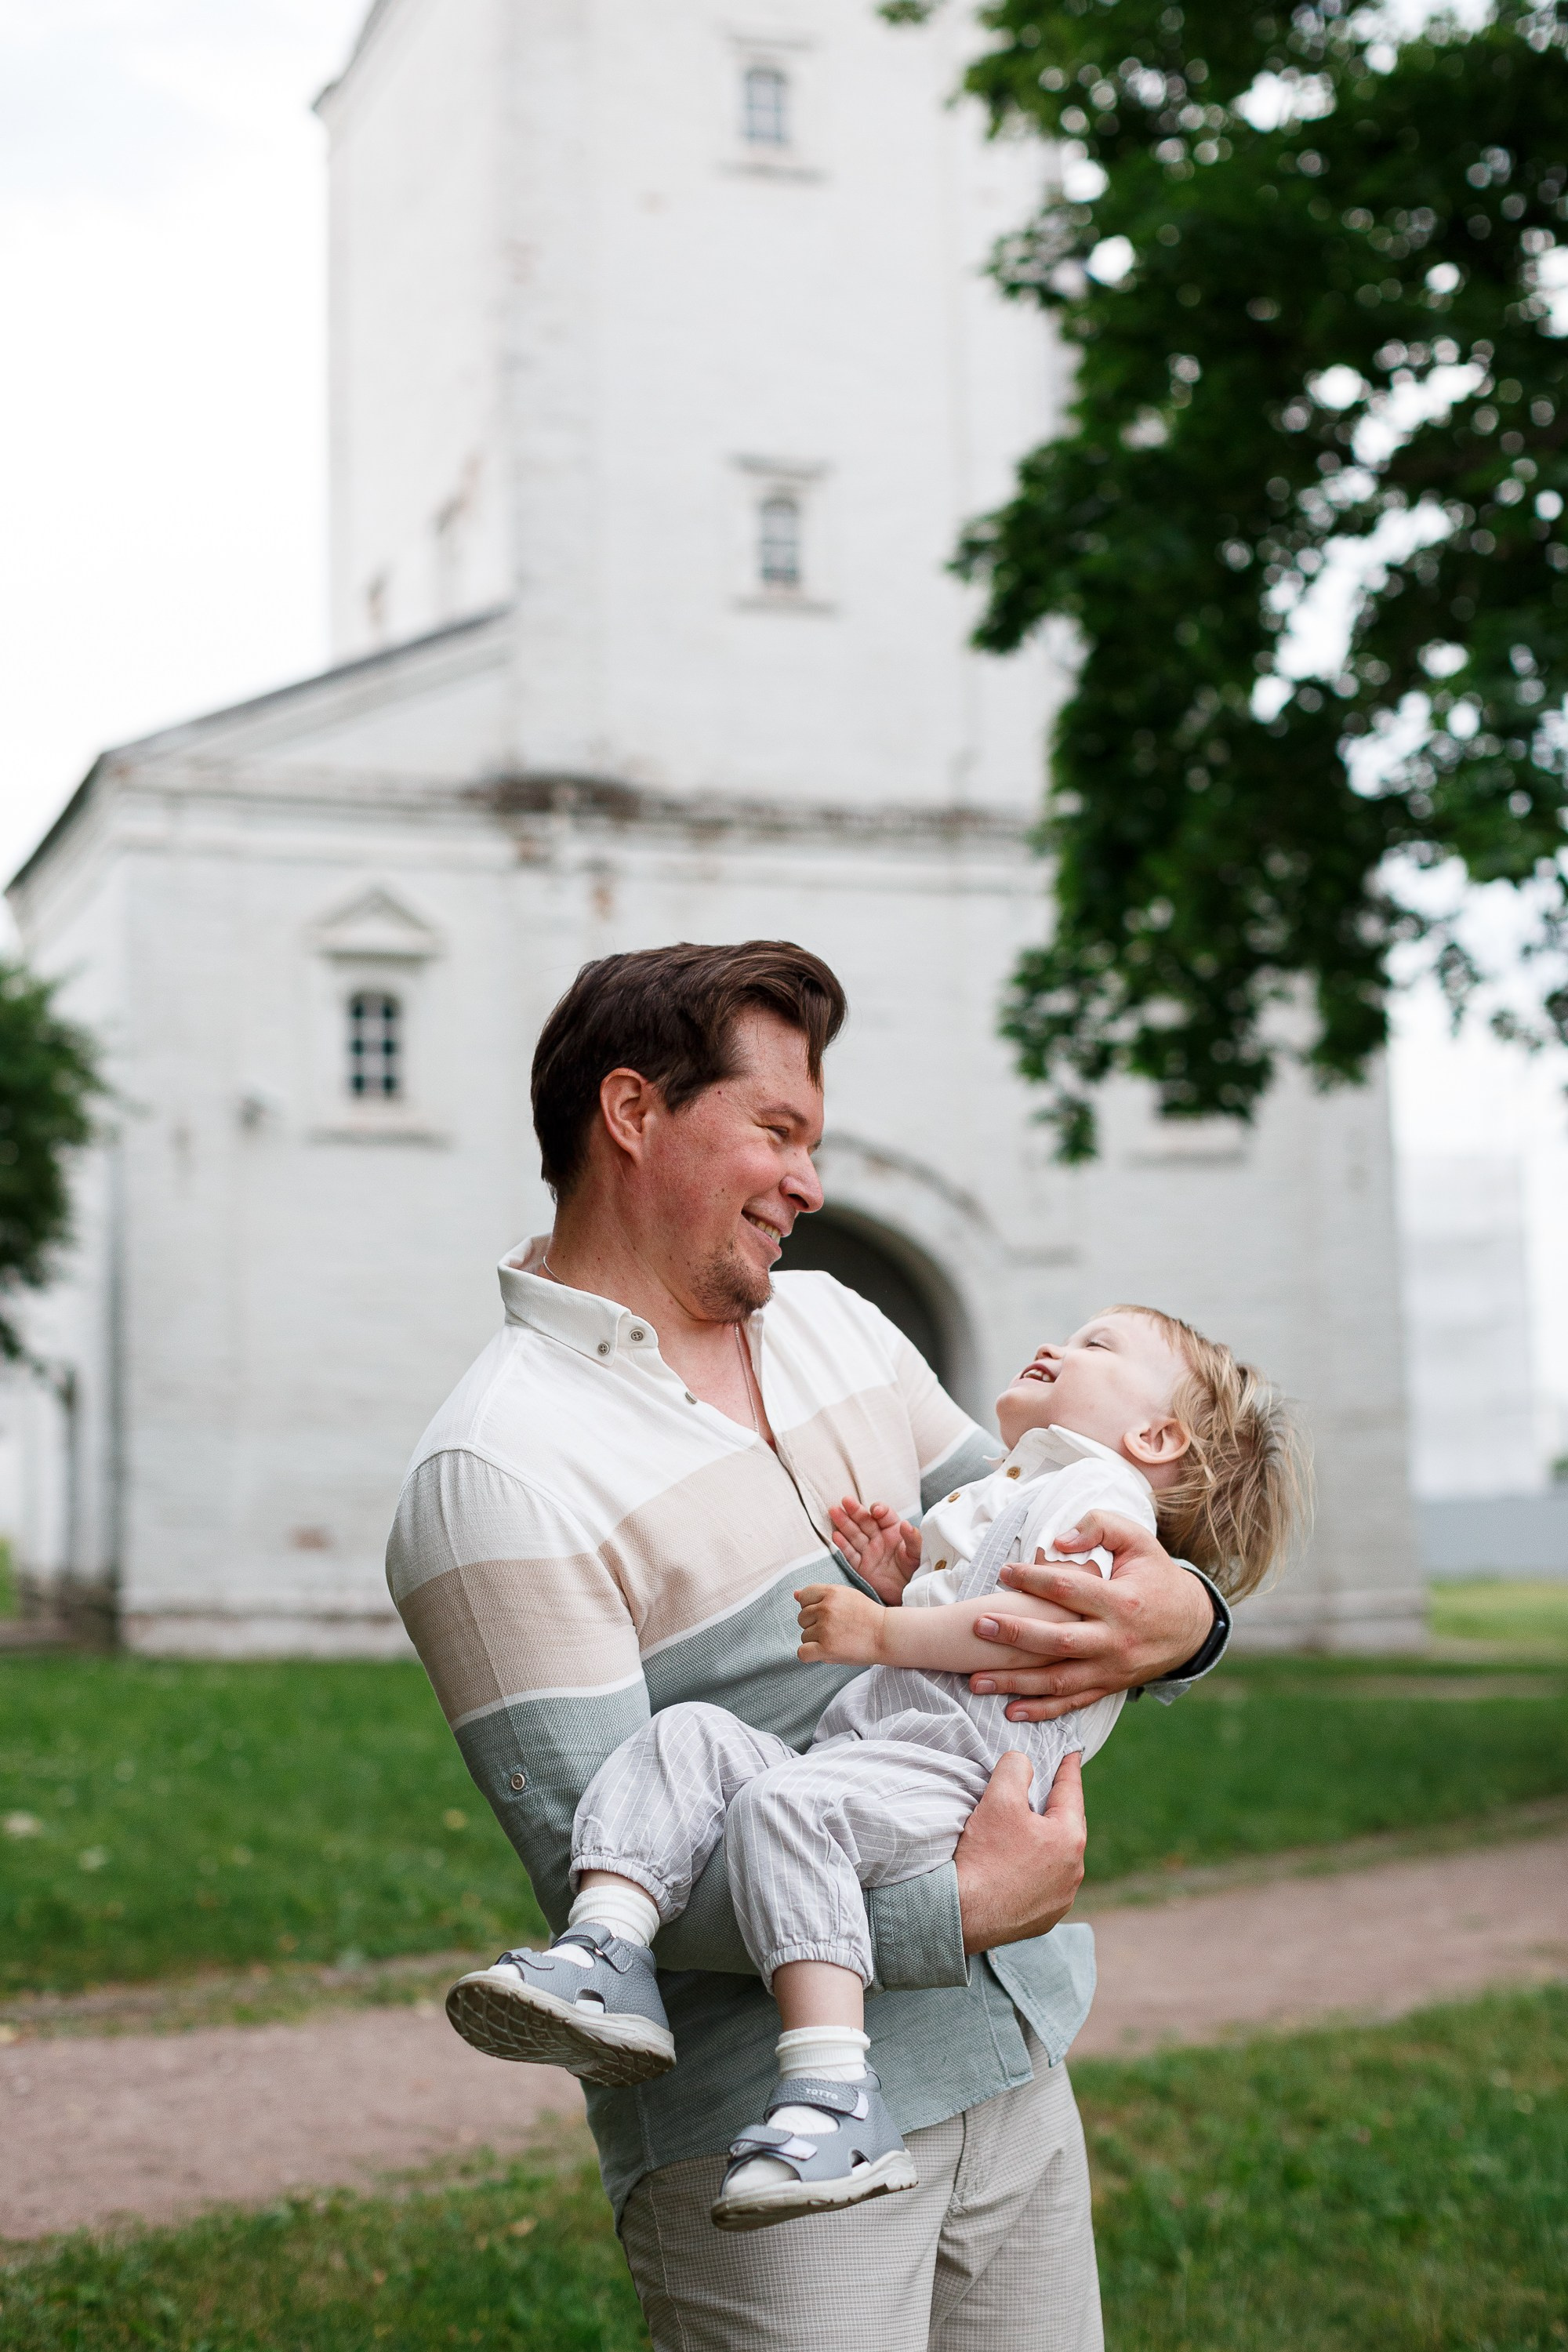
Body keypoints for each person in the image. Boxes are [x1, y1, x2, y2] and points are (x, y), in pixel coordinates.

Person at [386, 940, 1234, 2352]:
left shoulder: (840, 1325)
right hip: (761, 2149)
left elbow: (1081, 1541)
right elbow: (610, 1891)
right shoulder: (495, 1468)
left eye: (813, 1142)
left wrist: (1193, 1620)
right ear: (635, 1113)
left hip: (1016, 2068)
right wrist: (959, 1906)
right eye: (777, 1132)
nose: (812, 1184)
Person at [444, 1303, 1305, 2231]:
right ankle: (606, 1948)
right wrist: (923, 1579)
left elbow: (1049, 1629)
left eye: (1096, 1345)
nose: (1055, 1341)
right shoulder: (1031, 1484)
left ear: (1155, 1435)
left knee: (787, 1806)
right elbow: (1000, 1603)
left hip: (959, 1772)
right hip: (877, 1755)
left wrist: (884, 1627)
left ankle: (832, 2096)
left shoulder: (1088, 1495)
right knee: (687, 1736)